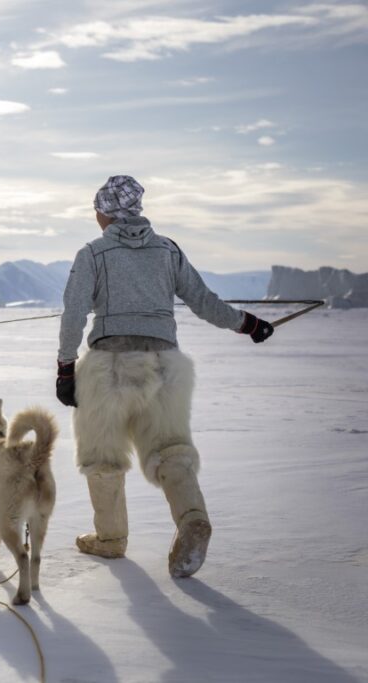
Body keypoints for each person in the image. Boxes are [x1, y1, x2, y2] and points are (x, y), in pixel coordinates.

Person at [56, 175, 274, 578]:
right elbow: (204, 302)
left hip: (110, 368)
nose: (96, 216)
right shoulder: (168, 250)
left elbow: (73, 314)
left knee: (102, 457)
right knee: (171, 450)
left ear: (107, 212)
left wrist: (66, 367)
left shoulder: (93, 253)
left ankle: (110, 539)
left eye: (97, 209)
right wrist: (249, 324)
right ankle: (191, 518)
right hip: (165, 366)